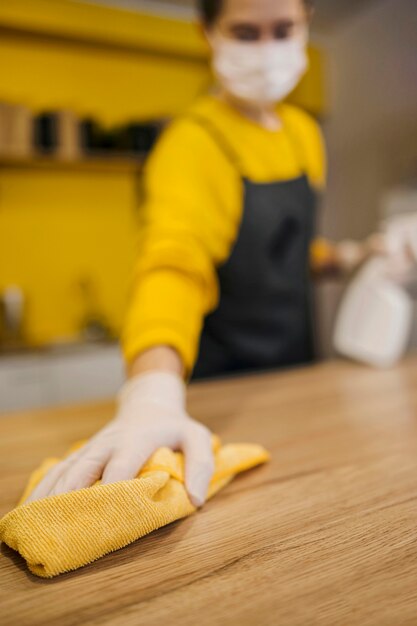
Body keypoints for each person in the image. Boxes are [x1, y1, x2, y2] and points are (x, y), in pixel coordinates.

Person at [22, 0, 409, 509]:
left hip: (300, 377)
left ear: (306, 24)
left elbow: (284, 250)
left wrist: (350, 255)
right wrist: (152, 389)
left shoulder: (303, 135)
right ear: (209, 33)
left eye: (282, 30)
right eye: (245, 33)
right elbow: (174, 265)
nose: (267, 51)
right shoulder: (192, 146)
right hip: (223, 396)